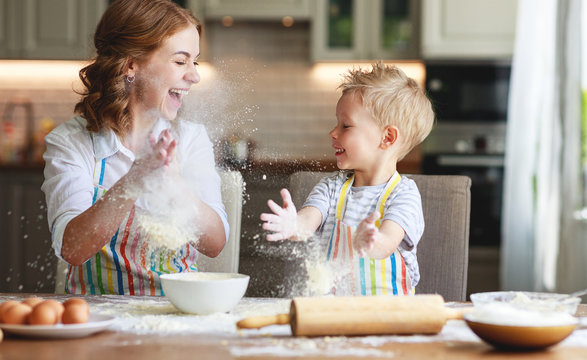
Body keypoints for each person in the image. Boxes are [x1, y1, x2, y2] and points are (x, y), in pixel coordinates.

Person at [42, 0, 228, 295]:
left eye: (194, 61)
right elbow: (72, 249)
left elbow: (215, 243)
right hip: (95, 317)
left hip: (176, 312)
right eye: (180, 61)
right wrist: (135, 179)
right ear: (131, 65)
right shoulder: (72, 142)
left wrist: (173, 183)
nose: (194, 75)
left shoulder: (191, 138)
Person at [261, 62, 434, 296]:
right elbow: (308, 221)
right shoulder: (331, 188)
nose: (333, 132)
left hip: (387, 319)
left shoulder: (403, 194)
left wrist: (372, 241)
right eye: (337, 123)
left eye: (346, 125)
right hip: (332, 316)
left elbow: (387, 242)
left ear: (387, 137)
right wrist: (294, 225)